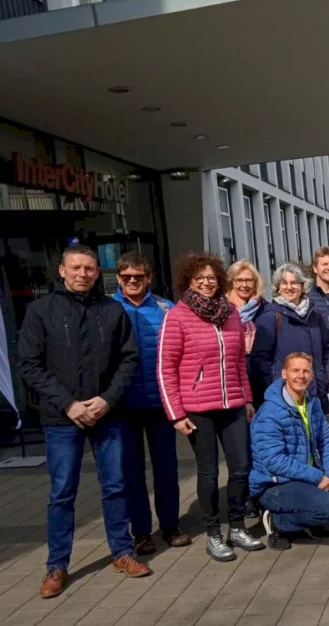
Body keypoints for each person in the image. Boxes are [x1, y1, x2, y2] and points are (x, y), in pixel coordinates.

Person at [19, 245, 149, 598]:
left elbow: (129, 359)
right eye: (76, 268)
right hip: (62, 419)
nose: (83, 274)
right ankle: (57, 566)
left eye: (90, 268)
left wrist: (107, 399)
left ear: (98, 272)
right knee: (62, 492)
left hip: (109, 414)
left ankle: (122, 552)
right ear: (61, 270)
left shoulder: (112, 310)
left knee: (116, 485)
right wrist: (68, 404)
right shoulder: (40, 311)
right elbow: (30, 365)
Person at [158, 252, 265, 562]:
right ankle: (214, 534)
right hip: (197, 408)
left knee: (241, 467)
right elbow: (166, 367)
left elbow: (238, 363)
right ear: (188, 282)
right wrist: (176, 414)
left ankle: (236, 527)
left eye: (211, 278)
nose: (206, 283)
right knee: (207, 473)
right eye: (199, 278)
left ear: (220, 281)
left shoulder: (230, 312)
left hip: (232, 403)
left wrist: (246, 398)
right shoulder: (177, 316)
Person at [113, 252, 190, 555]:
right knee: (131, 472)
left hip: (160, 404)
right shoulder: (108, 308)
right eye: (126, 277)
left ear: (149, 278)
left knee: (167, 468)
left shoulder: (164, 308)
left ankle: (170, 526)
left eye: (139, 276)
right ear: (118, 278)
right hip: (123, 405)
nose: (133, 281)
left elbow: (179, 356)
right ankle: (141, 532)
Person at [250, 353, 329, 550]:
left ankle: (308, 520)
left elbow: (326, 439)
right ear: (284, 373)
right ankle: (278, 523)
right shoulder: (270, 412)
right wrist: (317, 477)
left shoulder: (312, 403)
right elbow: (273, 460)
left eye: (306, 371)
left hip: (302, 478)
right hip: (273, 485)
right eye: (295, 370)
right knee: (327, 508)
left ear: (311, 375)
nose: (301, 376)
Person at [251, 262, 329, 402]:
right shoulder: (270, 316)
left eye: (294, 283)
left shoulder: (315, 316)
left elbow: (327, 350)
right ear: (278, 288)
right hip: (285, 395)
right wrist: (277, 385)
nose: (289, 287)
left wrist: (323, 378)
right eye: (284, 283)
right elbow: (260, 359)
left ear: (302, 286)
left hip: (316, 393)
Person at [227, 260, 267, 416]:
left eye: (248, 280)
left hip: (259, 371)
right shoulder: (222, 309)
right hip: (234, 369)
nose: (244, 285)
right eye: (239, 280)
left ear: (256, 282)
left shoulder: (265, 308)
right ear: (232, 282)